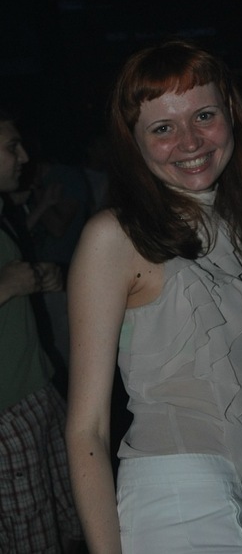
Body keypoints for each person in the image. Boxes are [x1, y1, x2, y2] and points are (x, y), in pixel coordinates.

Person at [65, 40, 242, 554]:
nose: (189, 141)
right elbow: (87, 429)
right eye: (162, 128)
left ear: (230, 115)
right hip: (178, 501)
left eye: (203, 116)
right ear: (134, 142)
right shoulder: (113, 237)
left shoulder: (239, 227)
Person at [0, 110, 82, 552]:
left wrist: (36, 276)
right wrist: (7, 285)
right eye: (12, 147)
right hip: (7, 410)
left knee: (67, 511)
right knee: (31, 534)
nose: (25, 157)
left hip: (36, 386)